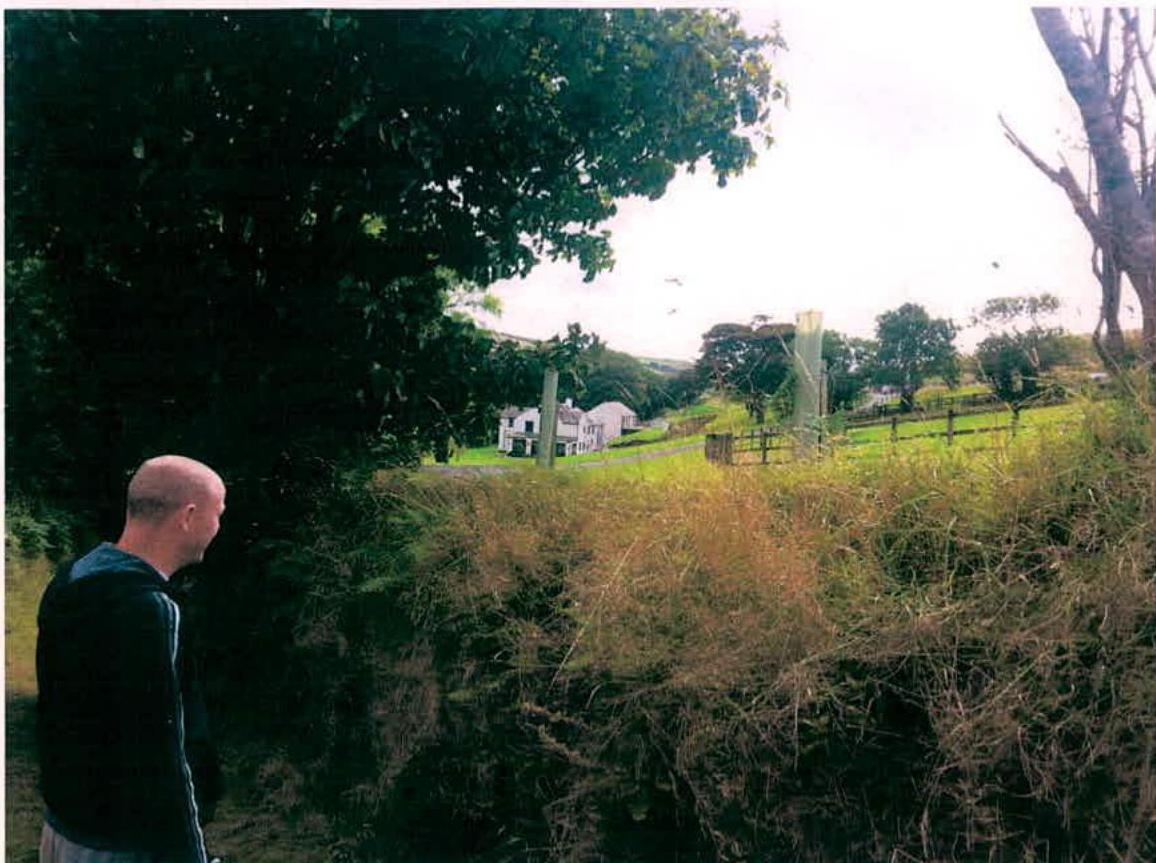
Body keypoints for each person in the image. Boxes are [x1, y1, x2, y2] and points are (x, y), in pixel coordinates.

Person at [36, 455, 227, 863]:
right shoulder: (151, 610)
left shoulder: (72, 581)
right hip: (129, 846)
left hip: (65, 832)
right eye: (217, 515)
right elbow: (166, 754)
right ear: (189, 516)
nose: (217, 529)